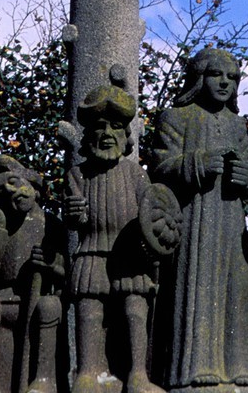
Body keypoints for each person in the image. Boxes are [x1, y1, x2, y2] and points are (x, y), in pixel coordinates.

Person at [149, 48, 248, 393]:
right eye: (217, 75)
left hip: (230, 220)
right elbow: (159, 168)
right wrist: (197, 163)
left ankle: (241, 368)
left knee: (236, 289)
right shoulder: (176, 118)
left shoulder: (237, 124)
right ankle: (195, 368)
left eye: (232, 77)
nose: (225, 82)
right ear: (199, 79)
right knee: (197, 288)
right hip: (195, 219)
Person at [66, 84, 175, 393]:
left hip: (129, 254)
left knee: (134, 310)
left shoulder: (136, 174)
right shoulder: (78, 174)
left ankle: (138, 374)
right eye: (99, 127)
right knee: (90, 312)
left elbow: (152, 211)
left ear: (126, 136)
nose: (107, 134)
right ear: (88, 136)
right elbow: (74, 219)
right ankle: (89, 372)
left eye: (115, 127)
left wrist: (154, 238)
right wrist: (74, 213)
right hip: (92, 251)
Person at [0, 155, 65, 393]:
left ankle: (43, 381)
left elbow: (65, 272)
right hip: (5, 299)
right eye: (2, 192)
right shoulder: (0, 230)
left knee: (50, 306)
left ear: (32, 183)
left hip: (37, 299)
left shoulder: (51, 225)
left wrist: (51, 267)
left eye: (15, 182)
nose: (13, 192)